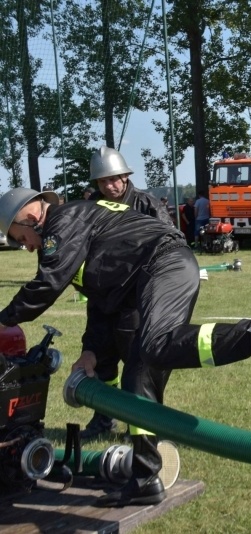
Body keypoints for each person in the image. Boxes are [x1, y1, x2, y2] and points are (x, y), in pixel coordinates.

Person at [0, 187, 251, 507]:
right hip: (148, 276)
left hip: (163, 263)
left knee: (157, 344)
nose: (27, 247)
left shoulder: (63, 221)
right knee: (137, 380)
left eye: (21, 238)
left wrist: (3, 321)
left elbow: (47, 284)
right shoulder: (74, 227)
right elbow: (101, 304)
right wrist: (90, 351)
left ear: (30, 217)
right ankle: (144, 480)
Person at [79, 146, 174, 441]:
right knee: (101, 359)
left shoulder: (147, 204)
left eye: (113, 179)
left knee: (138, 366)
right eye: (102, 181)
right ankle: (103, 418)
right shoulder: (90, 208)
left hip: (135, 299)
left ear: (125, 176)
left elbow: (171, 242)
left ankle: (144, 427)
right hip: (101, 297)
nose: (109, 186)